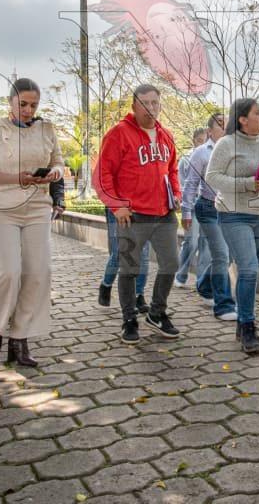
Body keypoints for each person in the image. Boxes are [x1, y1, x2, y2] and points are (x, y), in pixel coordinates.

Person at [0, 78, 64, 368]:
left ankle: (20, 339)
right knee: (9, 273)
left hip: (38, 207)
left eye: (33, 105)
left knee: (38, 273)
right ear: (10, 102)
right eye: (23, 104)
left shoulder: (47, 129)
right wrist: (18, 178)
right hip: (2, 209)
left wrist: (53, 174)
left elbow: (60, 163)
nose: (28, 110)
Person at [93, 84, 182, 344]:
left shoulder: (166, 135)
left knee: (171, 264)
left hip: (164, 213)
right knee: (129, 269)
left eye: (154, 103)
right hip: (133, 215)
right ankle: (129, 320)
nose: (150, 108)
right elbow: (102, 175)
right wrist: (115, 205)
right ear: (133, 106)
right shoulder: (119, 134)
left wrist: (176, 194)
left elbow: (173, 170)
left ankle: (156, 313)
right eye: (144, 103)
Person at [206, 99, 259, 353]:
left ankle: (241, 321)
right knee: (248, 269)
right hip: (234, 214)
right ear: (242, 119)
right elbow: (212, 177)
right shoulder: (226, 144)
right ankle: (248, 326)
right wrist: (248, 183)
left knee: (253, 268)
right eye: (257, 113)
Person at [180, 113, 237, 320]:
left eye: (227, 124)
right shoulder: (201, 153)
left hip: (229, 208)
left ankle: (204, 284)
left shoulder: (234, 150)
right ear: (210, 131)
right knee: (221, 254)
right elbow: (191, 184)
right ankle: (224, 305)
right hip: (207, 208)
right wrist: (186, 211)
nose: (225, 128)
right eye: (220, 125)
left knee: (229, 255)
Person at [174, 128, 209, 288]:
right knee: (191, 242)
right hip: (192, 206)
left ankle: (201, 281)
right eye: (200, 140)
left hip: (208, 205)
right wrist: (185, 206)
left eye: (205, 140)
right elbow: (181, 185)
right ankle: (181, 275)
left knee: (205, 244)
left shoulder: (211, 155)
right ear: (194, 140)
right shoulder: (185, 159)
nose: (203, 143)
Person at [98, 210, 151, 312]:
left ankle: (138, 295)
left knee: (143, 252)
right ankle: (106, 285)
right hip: (119, 207)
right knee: (120, 251)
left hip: (143, 208)